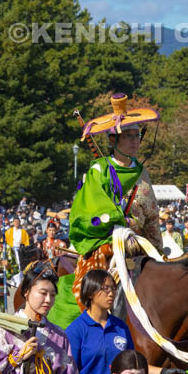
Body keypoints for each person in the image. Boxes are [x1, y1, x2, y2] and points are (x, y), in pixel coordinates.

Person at [68, 93, 163, 311]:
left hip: (140, 244)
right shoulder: (99, 169)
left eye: (137, 135)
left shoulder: (142, 172)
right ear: (113, 141)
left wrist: (158, 250)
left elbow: (151, 216)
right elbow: (92, 207)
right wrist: (120, 222)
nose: (134, 141)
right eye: (128, 136)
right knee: (94, 290)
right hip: (108, 243)